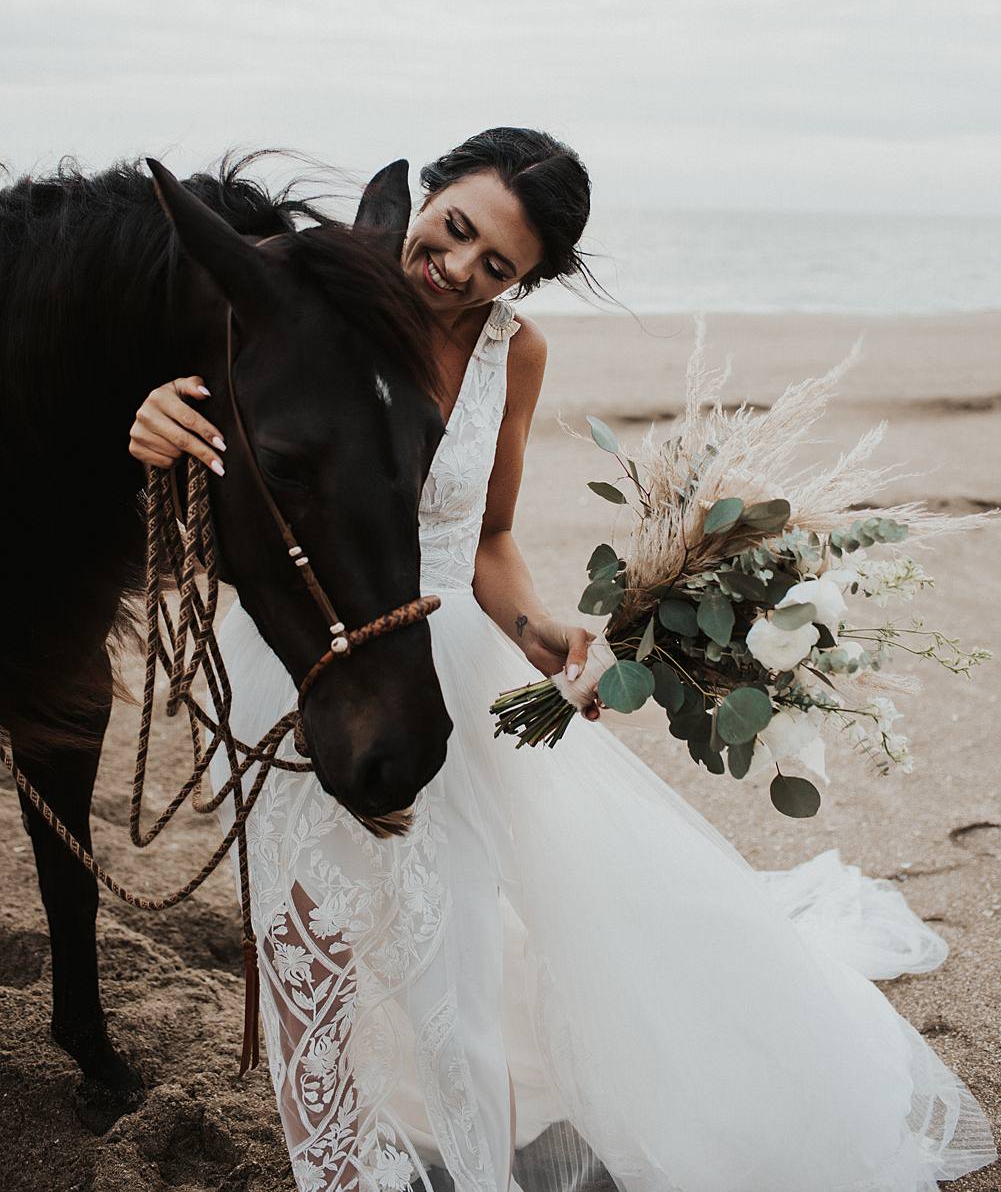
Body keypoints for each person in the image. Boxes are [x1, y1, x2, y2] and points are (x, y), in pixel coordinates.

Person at [130, 128, 996, 1192]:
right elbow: (202, 426)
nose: (454, 272)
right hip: (302, 647)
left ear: (526, 282)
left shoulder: (512, 353)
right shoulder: (307, 296)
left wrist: (539, 628)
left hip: (442, 660)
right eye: (451, 231)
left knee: (451, 945)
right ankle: (336, 1168)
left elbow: (485, 536)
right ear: (429, 191)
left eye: (496, 268)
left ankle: (477, 1162)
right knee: (305, 933)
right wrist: (153, 414)